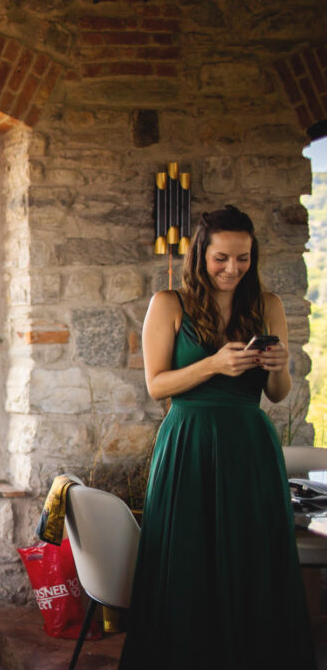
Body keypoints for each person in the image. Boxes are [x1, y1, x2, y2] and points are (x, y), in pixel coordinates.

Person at [119, 206, 314, 668]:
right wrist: (213, 364)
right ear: (200, 255)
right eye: (222, 258)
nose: (232, 269)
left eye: (243, 258)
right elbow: (156, 386)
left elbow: (277, 395)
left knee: (251, 560)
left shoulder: (268, 305)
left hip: (250, 446)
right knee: (188, 559)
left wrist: (279, 365)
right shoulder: (168, 303)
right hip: (188, 440)